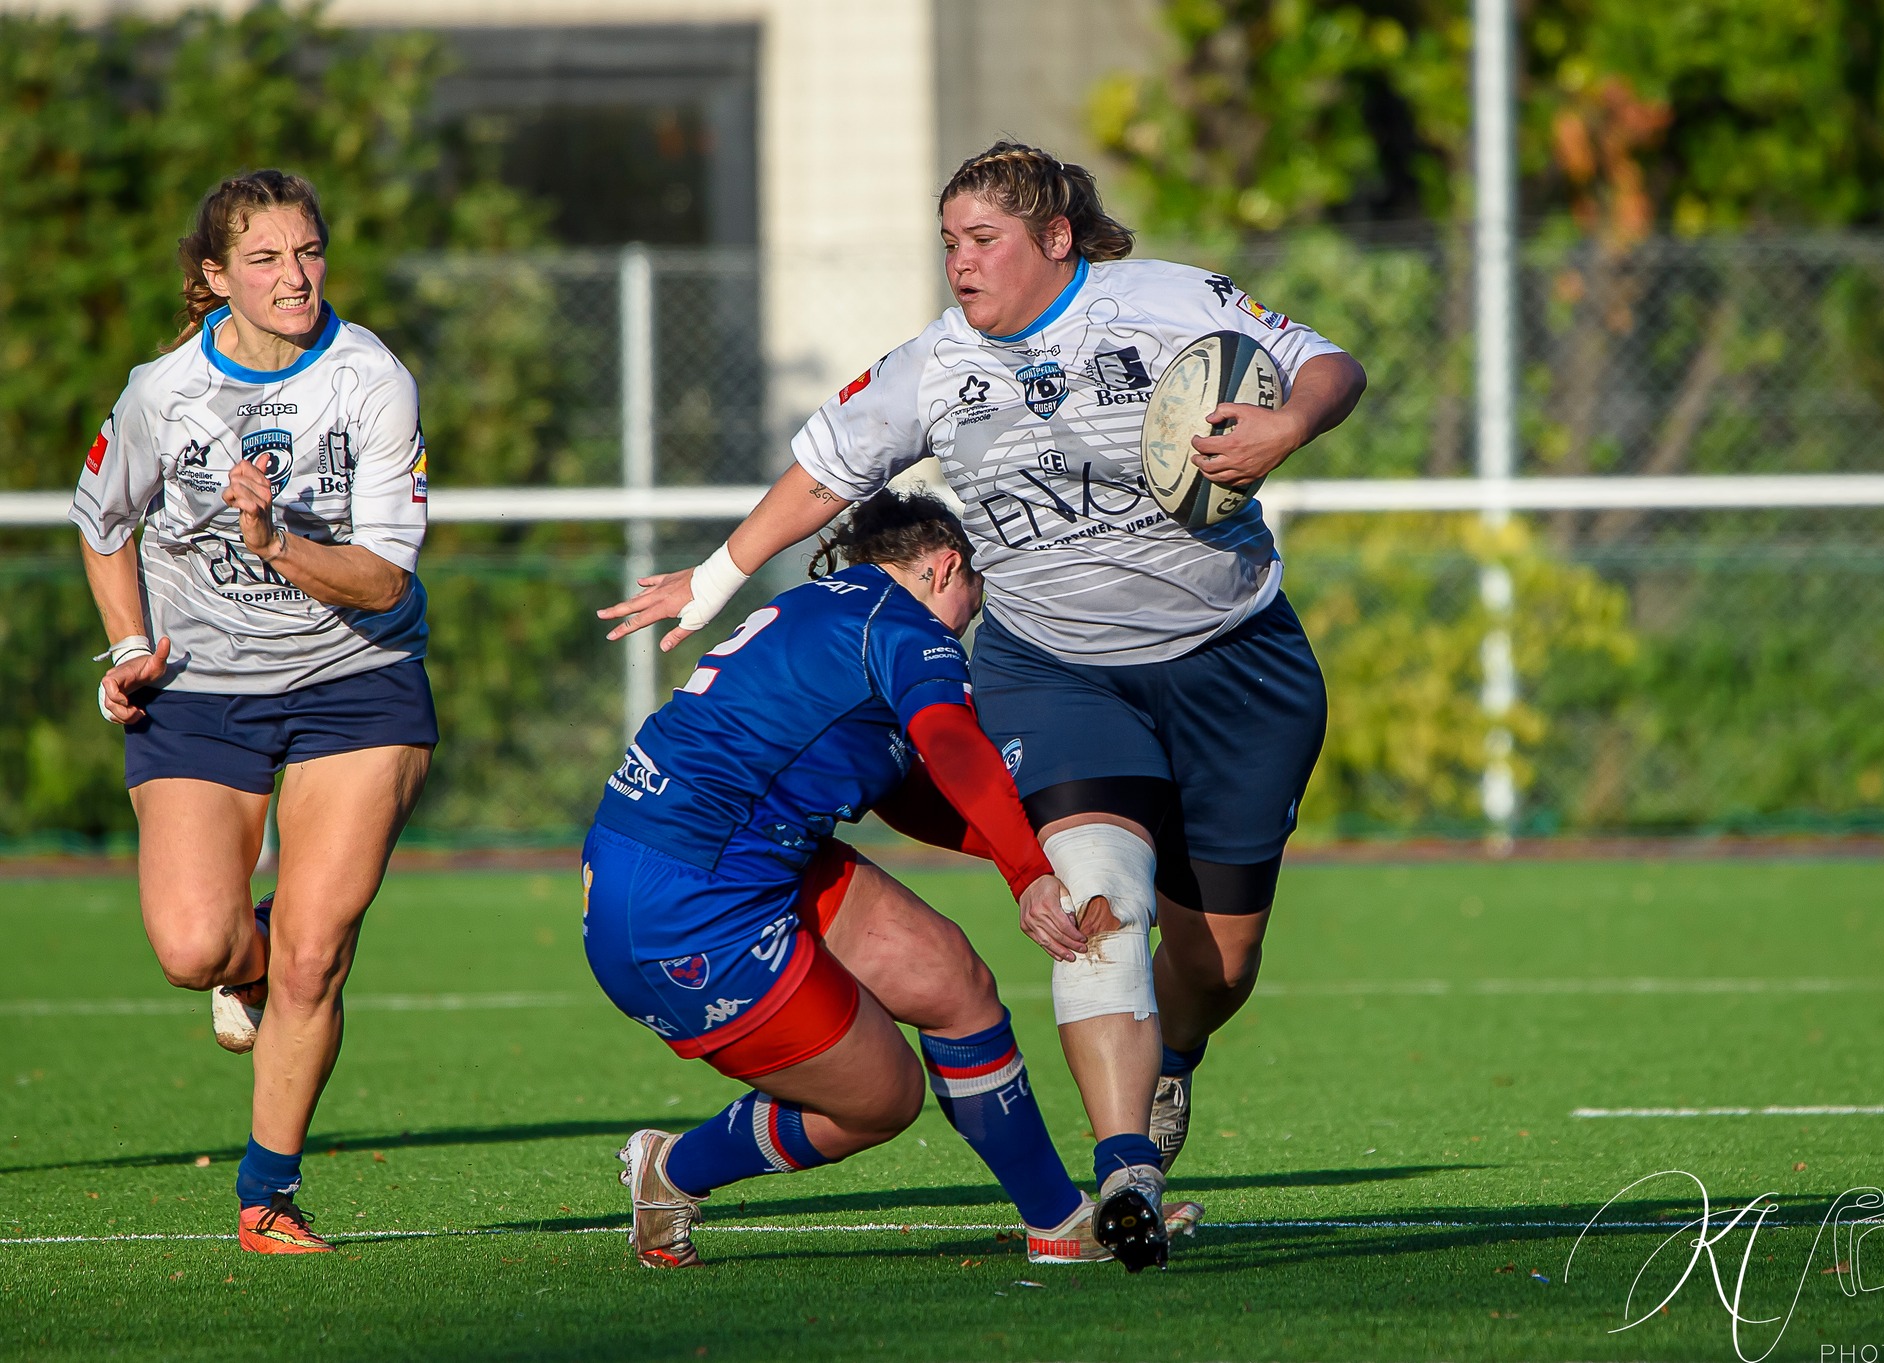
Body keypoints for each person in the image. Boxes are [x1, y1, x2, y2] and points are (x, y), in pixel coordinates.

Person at [598, 141, 1366, 1269]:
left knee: (1218, 965)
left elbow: (1329, 364)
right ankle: (1122, 1177)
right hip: (1056, 670)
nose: (959, 262)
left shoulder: (1164, 301)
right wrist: (714, 576)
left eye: (983, 240)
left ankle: (1170, 1056)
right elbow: (824, 472)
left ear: (1054, 238)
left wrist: (1287, 424)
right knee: (1099, 894)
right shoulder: (931, 367)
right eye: (949, 241)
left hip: (1235, 662)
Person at [585, 492, 1196, 1271]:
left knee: (953, 981)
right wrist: (1027, 874)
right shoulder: (906, 627)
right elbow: (951, 745)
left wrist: (1040, 855)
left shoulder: (828, 604)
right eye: (978, 589)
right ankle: (672, 1169)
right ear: (946, 567)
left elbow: (900, 791)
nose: (975, 612)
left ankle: (1058, 1220)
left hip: (724, 857)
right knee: (882, 1098)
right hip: (681, 901)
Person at [71, 170, 437, 1255]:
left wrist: (275, 542)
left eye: (309, 251)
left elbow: (383, 578)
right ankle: (254, 950)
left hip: (356, 680)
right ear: (215, 275)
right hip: (201, 689)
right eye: (266, 258)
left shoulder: (371, 379)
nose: (295, 277)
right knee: (196, 947)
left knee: (318, 958)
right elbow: (103, 521)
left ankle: (267, 1194)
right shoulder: (161, 391)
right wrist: (129, 648)